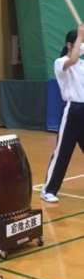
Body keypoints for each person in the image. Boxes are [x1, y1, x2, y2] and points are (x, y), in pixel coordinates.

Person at [41, 25, 84, 203]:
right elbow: (73, 59)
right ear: (69, 45)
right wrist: (80, 34)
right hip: (72, 111)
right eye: (80, 43)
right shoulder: (61, 62)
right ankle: (48, 190)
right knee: (63, 152)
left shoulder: (82, 64)